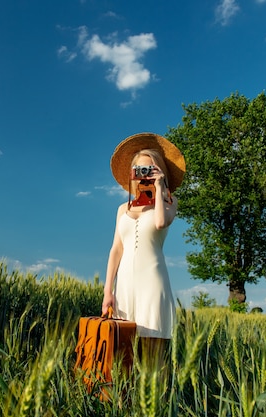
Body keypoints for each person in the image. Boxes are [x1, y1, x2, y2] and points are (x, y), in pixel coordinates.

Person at [102, 132, 185, 363]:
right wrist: (108, 290)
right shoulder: (122, 209)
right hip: (124, 285)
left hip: (152, 282)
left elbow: (160, 222)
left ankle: (155, 397)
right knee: (123, 354)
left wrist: (159, 187)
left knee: (152, 353)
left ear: (159, 171)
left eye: (149, 169)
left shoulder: (169, 202)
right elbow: (116, 250)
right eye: (138, 170)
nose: (143, 175)